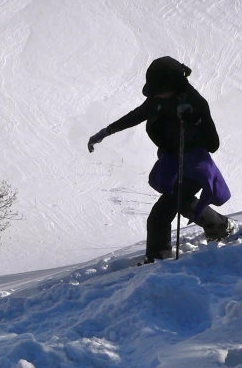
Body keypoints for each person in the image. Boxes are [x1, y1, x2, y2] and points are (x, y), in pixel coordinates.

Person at [88, 56, 232, 263]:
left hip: (193, 165)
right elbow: (138, 114)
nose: (157, 95)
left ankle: (158, 260)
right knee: (180, 202)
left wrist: (194, 120)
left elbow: (213, 144)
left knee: (159, 215)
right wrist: (106, 131)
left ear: (173, 85)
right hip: (173, 161)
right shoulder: (158, 99)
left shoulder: (195, 103)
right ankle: (218, 226)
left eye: (160, 90)